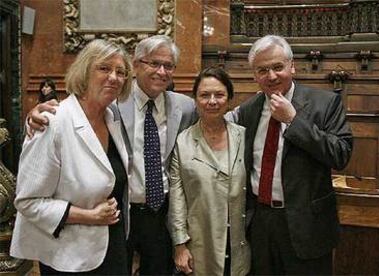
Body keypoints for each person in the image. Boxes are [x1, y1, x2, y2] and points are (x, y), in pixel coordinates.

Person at [26, 35, 197, 275]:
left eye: (168, 66)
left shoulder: (186, 107)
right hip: (120, 212)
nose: (161, 71)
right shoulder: (110, 103)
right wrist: (34, 117)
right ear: (136, 65)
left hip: (160, 214)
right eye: (154, 63)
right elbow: (71, 114)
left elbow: (218, 121)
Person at [227, 35, 353, 275]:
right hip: (261, 224)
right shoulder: (248, 110)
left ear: (292, 66)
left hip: (306, 225)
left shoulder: (325, 103)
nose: (271, 76)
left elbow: (341, 154)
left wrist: (294, 120)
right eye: (262, 70)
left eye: (277, 67)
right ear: (254, 75)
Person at [10, 39, 133, 274]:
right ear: (84, 71)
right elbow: (27, 201)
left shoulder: (112, 119)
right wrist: (88, 216)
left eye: (121, 72)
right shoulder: (53, 122)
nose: (114, 77)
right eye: (104, 68)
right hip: (68, 255)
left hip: (112, 244)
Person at [169, 67, 250, 276]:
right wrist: (179, 244)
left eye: (219, 95)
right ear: (195, 99)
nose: (212, 101)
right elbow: (178, 198)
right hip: (200, 241)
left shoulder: (244, 137)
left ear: (230, 99)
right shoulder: (183, 141)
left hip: (240, 239)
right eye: (204, 95)